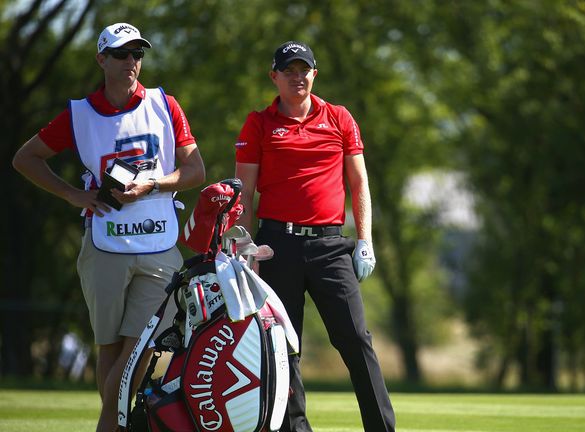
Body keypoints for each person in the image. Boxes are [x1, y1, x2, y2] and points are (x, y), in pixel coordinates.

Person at [12, 22, 205, 432]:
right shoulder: (79, 114)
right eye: (121, 54)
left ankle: (108, 426)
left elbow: (195, 170)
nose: (131, 61)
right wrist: (71, 194)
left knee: (143, 344)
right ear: (101, 59)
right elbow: (25, 158)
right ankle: (120, 424)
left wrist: (154, 184)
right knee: (110, 348)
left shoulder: (165, 104)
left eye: (137, 53)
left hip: (158, 242)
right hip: (104, 242)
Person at [234, 41, 395, 432]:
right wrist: (244, 249)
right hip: (275, 246)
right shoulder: (259, 123)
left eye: (303, 69)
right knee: (283, 348)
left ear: (314, 74)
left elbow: (359, 184)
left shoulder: (338, 117)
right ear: (274, 76)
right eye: (288, 70)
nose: (297, 77)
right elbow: (244, 192)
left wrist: (365, 240)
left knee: (356, 338)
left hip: (330, 246)